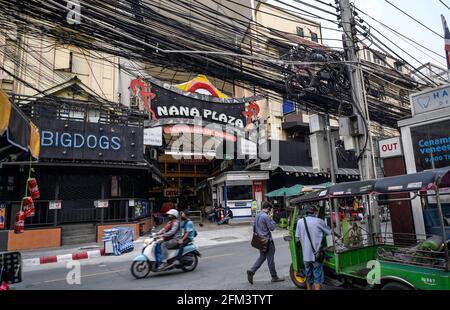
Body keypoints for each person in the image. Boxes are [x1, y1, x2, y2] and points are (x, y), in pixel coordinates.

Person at [295, 205, 332, 290]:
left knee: (308, 275)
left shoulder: (300, 222)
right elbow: (329, 232)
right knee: (317, 277)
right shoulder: (319, 221)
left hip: (306, 256)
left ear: (306, 212)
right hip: (317, 255)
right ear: (315, 212)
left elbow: (297, 237)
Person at [247, 201, 284, 284]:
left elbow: (254, 227)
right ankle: (274, 277)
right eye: (271, 209)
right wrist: (272, 219)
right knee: (270, 259)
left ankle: (251, 271)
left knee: (262, 257)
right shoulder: (265, 216)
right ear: (268, 209)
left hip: (260, 240)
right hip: (267, 241)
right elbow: (272, 228)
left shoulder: (258, 215)